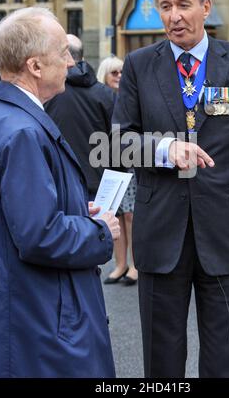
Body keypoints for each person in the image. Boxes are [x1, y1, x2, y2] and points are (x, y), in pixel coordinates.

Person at [112, 0, 229, 377]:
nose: (174, 16)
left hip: (225, 233)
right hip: (160, 234)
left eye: (184, 5)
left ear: (205, 7)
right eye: (165, 6)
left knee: (227, 360)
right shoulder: (138, 65)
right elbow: (118, 142)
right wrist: (166, 149)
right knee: (163, 362)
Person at [0, 7, 120, 378]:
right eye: (62, 52)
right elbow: (38, 235)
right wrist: (99, 230)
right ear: (34, 66)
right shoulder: (23, 132)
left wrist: (77, 210)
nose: (70, 62)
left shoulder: (8, 117)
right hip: (43, 315)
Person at [45, 34, 115, 199]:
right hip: (98, 188)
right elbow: (120, 143)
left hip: (58, 186)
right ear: (82, 57)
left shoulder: (46, 93)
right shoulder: (106, 94)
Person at [98, 56, 138, 286]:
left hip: (131, 161)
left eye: (122, 72)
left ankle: (135, 264)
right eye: (114, 73)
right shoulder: (99, 97)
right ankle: (120, 264)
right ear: (104, 74)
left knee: (132, 216)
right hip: (108, 162)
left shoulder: (129, 96)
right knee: (115, 215)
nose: (119, 77)